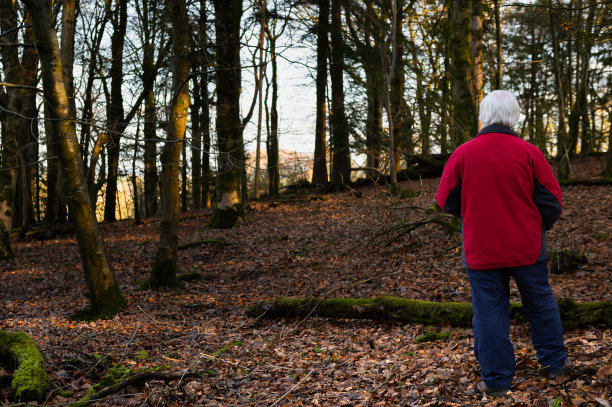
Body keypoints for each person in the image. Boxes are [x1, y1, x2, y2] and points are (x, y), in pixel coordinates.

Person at [435, 90, 568, 396]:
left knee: (489, 313)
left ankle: (496, 381)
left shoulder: (464, 153)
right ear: (513, 115)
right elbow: (552, 202)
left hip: (482, 249)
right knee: (540, 305)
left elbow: (445, 200)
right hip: (527, 247)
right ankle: (555, 366)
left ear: (484, 114)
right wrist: (537, 226)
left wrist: (471, 216)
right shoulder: (529, 152)